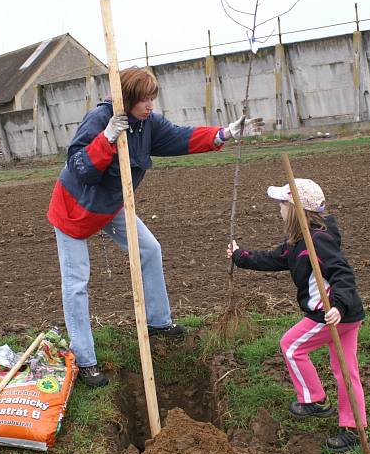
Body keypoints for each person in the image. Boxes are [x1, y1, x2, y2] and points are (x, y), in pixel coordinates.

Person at [47, 66, 263, 387]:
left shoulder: (147, 123)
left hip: (112, 205)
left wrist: (225, 133)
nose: (151, 105)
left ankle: (159, 323)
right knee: (76, 284)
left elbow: (180, 136)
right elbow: (79, 168)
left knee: (149, 249)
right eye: (144, 99)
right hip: (74, 210)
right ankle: (86, 360)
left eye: (152, 98)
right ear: (128, 97)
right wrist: (106, 138)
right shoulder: (98, 120)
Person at [226, 178, 369, 452]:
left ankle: (314, 400)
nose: (278, 208)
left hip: (330, 315)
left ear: (295, 210)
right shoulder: (297, 241)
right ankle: (353, 429)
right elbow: (276, 259)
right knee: (346, 372)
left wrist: (337, 306)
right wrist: (240, 256)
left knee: (291, 345)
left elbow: (343, 274)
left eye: (282, 203)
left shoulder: (318, 241)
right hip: (347, 314)